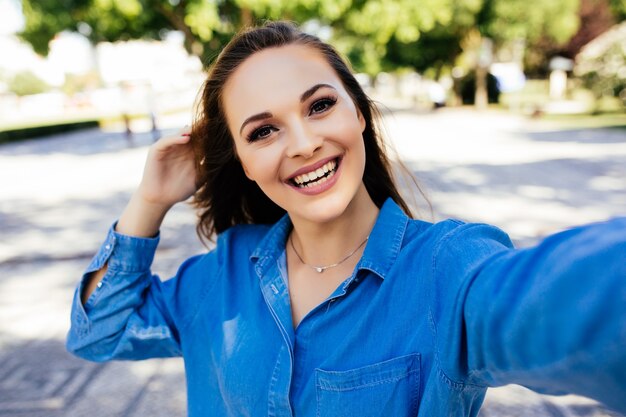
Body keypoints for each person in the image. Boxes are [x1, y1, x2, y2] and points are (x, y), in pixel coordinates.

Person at [67, 21, 626, 417]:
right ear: (240, 159)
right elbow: (98, 334)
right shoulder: (226, 270)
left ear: (358, 111)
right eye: (263, 131)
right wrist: (150, 200)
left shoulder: (446, 267)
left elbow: (570, 303)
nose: (305, 143)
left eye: (319, 106)